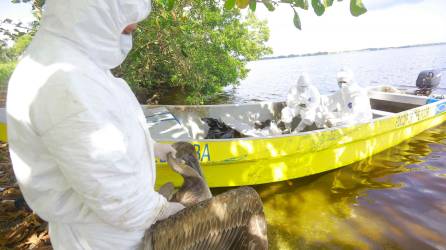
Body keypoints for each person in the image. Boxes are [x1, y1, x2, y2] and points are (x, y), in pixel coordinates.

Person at [6, 0, 184, 249]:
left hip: (111, 224)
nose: (129, 37)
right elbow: (110, 188)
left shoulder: (75, 62)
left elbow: (103, 132)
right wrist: (158, 211)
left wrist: (150, 147)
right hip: (104, 236)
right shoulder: (65, 78)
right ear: (92, 15)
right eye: (125, 30)